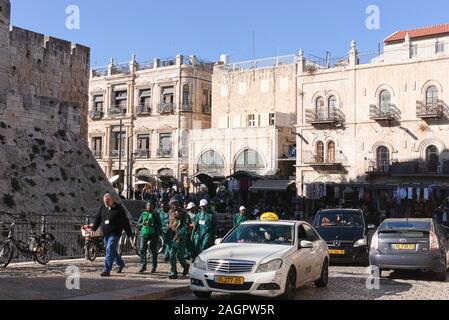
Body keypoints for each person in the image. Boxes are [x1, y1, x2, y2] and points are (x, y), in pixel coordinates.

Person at [92, 193, 133, 277]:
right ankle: (120, 264)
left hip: (115, 233)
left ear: (112, 200)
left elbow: (125, 221)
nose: (106, 203)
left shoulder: (119, 209)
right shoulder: (103, 207)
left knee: (109, 249)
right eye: (105, 202)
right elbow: (98, 218)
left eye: (107, 201)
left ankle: (106, 270)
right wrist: (93, 229)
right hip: (106, 234)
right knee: (112, 251)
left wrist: (129, 233)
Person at [137, 199, 161, 273]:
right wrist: (142, 224)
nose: (149, 207)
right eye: (148, 205)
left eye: (150, 205)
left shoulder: (156, 214)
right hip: (144, 233)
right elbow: (138, 224)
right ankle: (143, 266)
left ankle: (154, 266)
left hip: (153, 234)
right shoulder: (143, 214)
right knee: (142, 249)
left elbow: (160, 225)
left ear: (153, 207)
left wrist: (152, 225)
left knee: (153, 250)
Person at [166, 209, 190, 279]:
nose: (176, 213)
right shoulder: (170, 214)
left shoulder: (184, 215)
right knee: (172, 255)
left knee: (180, 256)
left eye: (175, 204)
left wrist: (179, 234)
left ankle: (185, 266)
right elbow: (169, 226)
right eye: (172, 204)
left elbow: (185, 227)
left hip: (180, 239)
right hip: (172, 238)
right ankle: (174, 272)